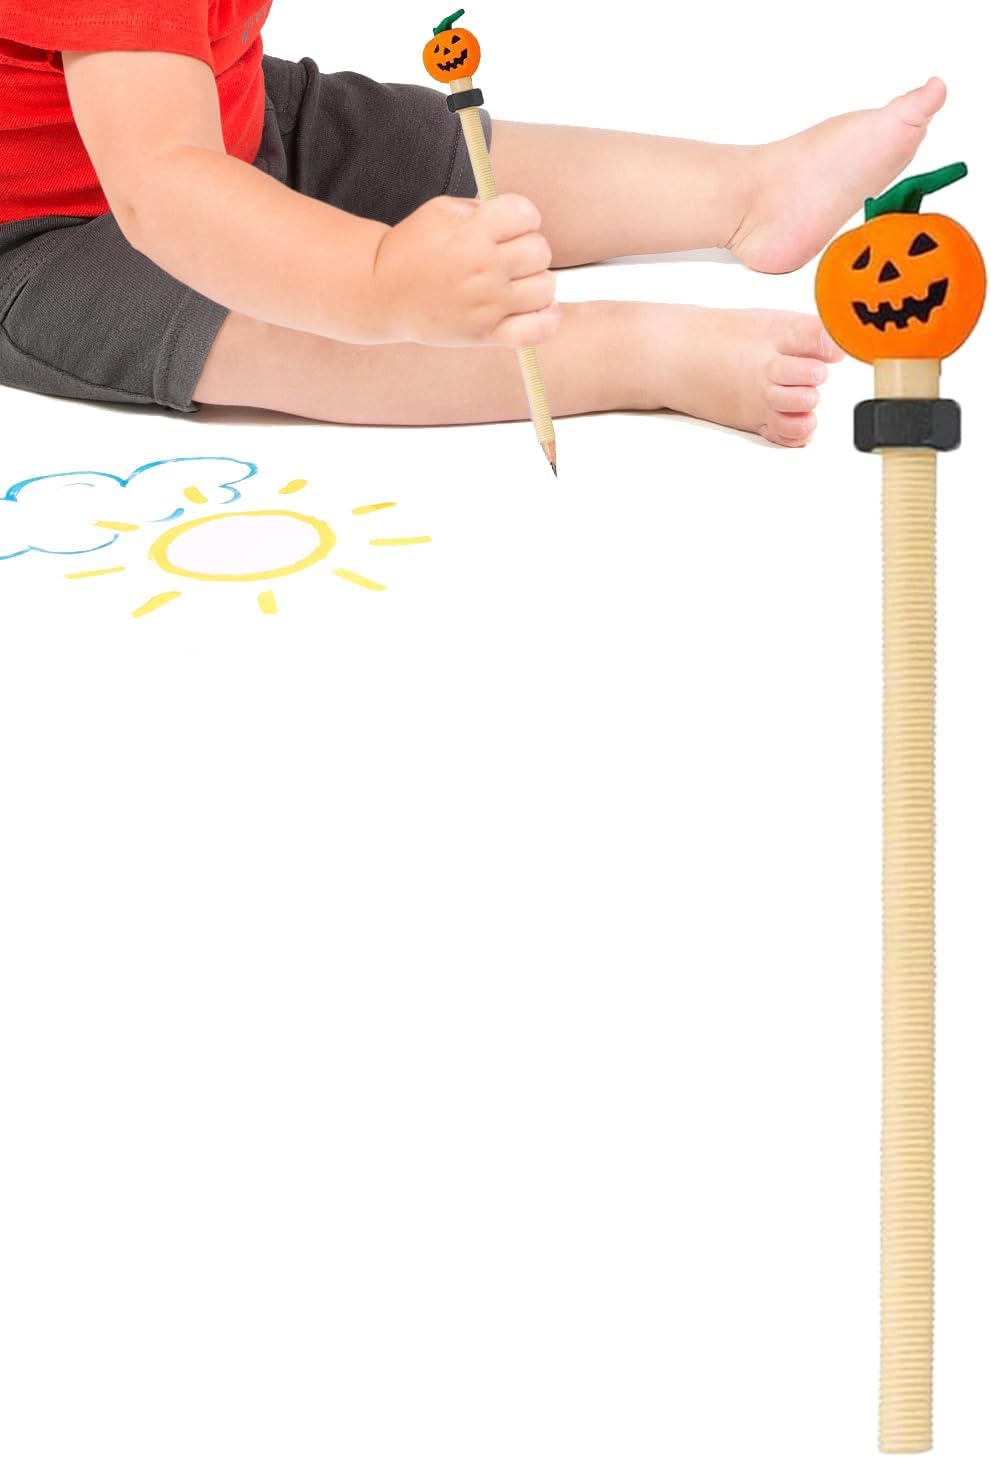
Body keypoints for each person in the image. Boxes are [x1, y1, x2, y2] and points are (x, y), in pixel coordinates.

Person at [0, 1, 946, 445]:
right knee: (261, 322)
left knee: (411, 139)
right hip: (45, 235)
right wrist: (375, 279)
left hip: (227, 110)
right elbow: (162, 185)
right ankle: (633, 354)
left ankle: (745, 190)